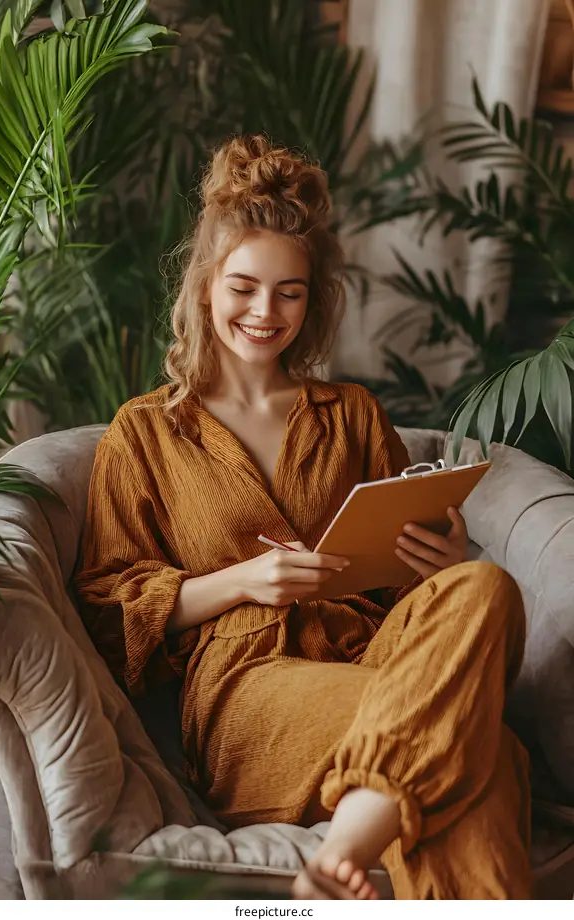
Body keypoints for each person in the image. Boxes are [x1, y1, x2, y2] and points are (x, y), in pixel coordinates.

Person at [75, 135, 531, 900]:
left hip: (378, 655)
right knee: (484, 750)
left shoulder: (354, 415)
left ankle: (350, 836)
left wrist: (442, 563)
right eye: (245, 287)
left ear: (312, 298)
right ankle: (345, 850)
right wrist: (242, 582)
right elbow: (104, 611)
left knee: (486, 586)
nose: (265, 312)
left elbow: (410, 602)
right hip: (248, 691)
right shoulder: (145, 432)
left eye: (290, 291)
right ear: (206, 288)